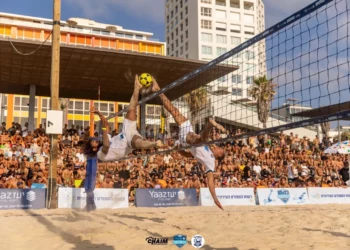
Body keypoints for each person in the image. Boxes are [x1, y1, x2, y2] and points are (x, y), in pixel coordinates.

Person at [151, 77, 225, 210]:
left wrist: (214, 198)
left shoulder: (211, 163)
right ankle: (157, 90)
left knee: (200, 140)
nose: (219, 148)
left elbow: (210, 181)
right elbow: (188, 156)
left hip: (190, 140)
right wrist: (179, 150)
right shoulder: (206, 151)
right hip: (189, 136)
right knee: (173, 110)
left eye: (221, 150)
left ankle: (210, 124)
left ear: (219, 156)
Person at [87, 75, 163, 162]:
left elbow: (106, 125)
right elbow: (106, 145)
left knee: (131, 109)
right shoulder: (100, 155)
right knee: (138, 143)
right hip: (127, 144)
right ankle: (155, 143)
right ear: (93, 149)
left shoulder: (104, 139)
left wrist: (99, 113)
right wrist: (103, 129)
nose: (94, 140)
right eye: (92, 142)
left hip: (125, 132)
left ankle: (137, 88)